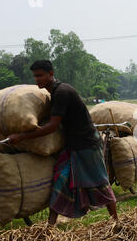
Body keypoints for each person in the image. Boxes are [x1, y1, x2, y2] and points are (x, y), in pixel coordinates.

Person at [8, 60, 118, 225]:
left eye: (40, 75)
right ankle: (50, 227)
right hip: (73, 146)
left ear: (51, 74)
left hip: (87, 144)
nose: (37, 79)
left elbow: (52, 126)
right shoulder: (54, 92)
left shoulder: (62, 92)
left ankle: (116, 222)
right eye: (35, 76)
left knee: (100, 182)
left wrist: (22, 136)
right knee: (60, 181)